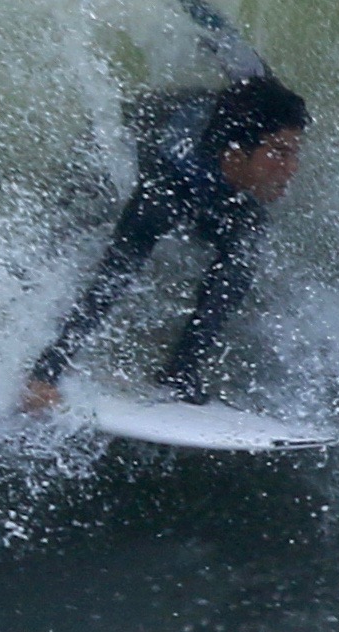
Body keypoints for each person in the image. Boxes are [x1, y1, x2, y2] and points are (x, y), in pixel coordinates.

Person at [21, 64, 312, 411]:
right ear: (236, 155)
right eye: (280, 153)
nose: (292, 169)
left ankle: (181, 370)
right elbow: (110, 281)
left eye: (294, 153)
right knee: (79, 233)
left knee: (243, 249)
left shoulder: (250, 141)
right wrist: (47, 374)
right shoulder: (163, 194)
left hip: (212, 138)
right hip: (120, 141)